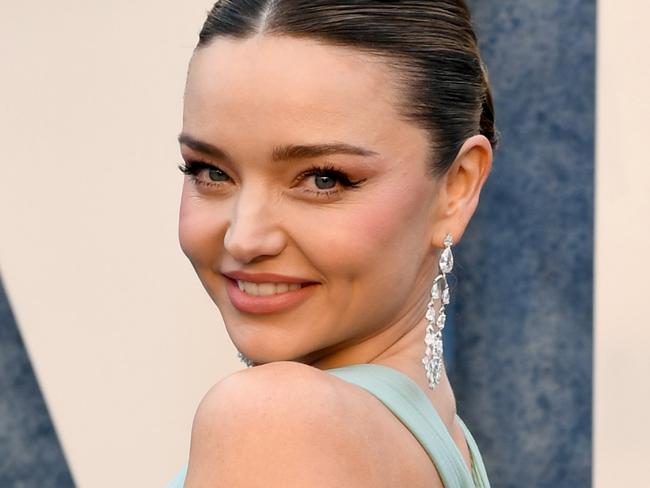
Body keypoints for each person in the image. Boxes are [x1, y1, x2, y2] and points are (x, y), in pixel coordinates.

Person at [168, 1, 496, 486]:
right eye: (211, 172)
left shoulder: (275, 421)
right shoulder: (439, 441)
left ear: (456, 187)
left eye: (324, 179)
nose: (245, 237)